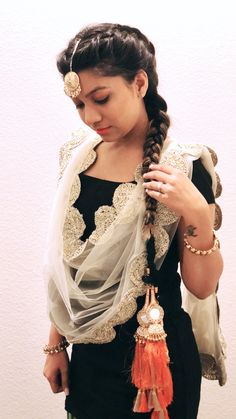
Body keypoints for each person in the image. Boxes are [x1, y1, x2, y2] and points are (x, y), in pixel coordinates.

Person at [43, 23, 224, 419]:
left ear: (139, 82)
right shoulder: (77, 156)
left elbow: (202, 285)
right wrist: (56, 343)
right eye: (79, 105)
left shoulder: (183, 166)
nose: (90, 116)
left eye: (101, 98)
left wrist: (196, 211)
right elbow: (68, 268)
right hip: (89, 359)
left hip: (159, 363)